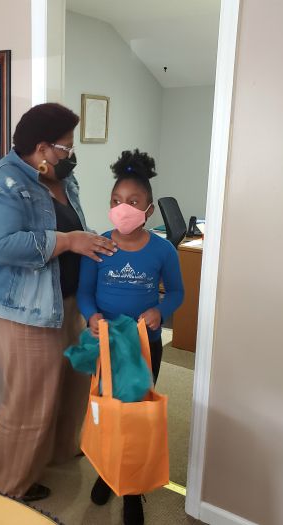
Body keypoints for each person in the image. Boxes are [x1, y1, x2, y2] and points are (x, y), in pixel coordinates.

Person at [0, 102, 117, 502]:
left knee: (72, 384)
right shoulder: (1, 182)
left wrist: (94, 240)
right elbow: (0, 246)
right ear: (42, 147)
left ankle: (55, 454)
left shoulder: (61, 177)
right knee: (30, 401)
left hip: (65, 300)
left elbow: (72, 225)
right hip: (21, 310)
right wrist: (71, 242)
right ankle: (5, 490)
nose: (72, 155)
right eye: (67, 147)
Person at [76, 150, 185, 525]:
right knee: (108, 412)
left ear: (149, 210)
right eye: (116, 201)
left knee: (136, 415)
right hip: (107, 344)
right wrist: (90, 317)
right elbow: (86, 292)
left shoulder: (163, 250)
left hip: (144, 345)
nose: (123, 208)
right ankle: (108, 473)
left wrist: (160, 311)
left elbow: (176, 293)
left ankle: (133, 488)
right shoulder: (99, 246)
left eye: (133, 202)